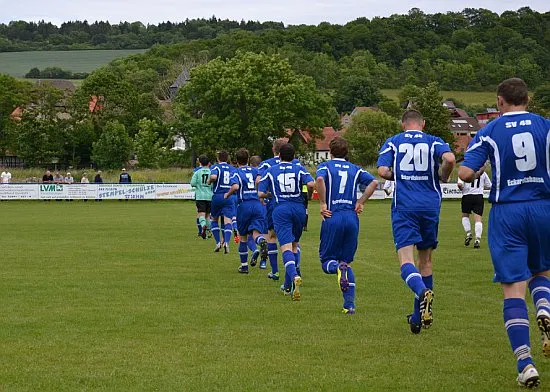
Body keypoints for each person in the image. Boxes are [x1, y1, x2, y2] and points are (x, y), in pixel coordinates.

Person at [458, 78, 550, 388]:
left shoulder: (488, 132)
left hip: (508, 212)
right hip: (543, 208)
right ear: (528, 98)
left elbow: (465, 173)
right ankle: (545, 307)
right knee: (543, 271)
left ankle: (525, 364)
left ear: (499, 102)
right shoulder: (545, 126)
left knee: (513, 288)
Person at [377, 109, 455, 333]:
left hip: (405, 206)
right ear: (423, 123)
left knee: (405, 260)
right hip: (430, 205)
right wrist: (444, 176)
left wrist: (397, 175)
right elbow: (449, 158)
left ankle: (422, 293)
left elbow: (382, 170)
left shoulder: (394, 142)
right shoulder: (433, 141)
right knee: (426, 262)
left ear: (403, 125)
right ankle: (418, 318)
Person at [316, 137, 378, 314]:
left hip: (333, 216)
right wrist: (361, 201)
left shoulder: (325, 166)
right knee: (347, 262)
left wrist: (322, 204)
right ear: (347, 152)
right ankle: (349, 305)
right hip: (351, 217)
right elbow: (374, 182)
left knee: (327, 262)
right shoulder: (355, 169)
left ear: (330, 151)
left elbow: (320, 181)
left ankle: (337, 268)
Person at [258, 143, 314, 301]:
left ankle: (294, 275)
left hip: (281, 209)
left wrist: (269, 195)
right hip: (299, 209)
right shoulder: (300, 168)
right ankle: (287, 286)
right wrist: (308, 195)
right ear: (294, 156)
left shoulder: (271, 170)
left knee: (285, 247)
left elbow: (260, 192)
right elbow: (311, 184)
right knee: (295, 245)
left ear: (280, 156)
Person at [257, 139, 300, 281]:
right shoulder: (296, 163)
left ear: (274, 150)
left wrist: (268, 193)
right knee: (294, 240)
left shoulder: (266, 164)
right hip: (295, 203)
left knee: (272, 236)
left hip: (275, 204)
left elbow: (258, 181)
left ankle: (275, 271)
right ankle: (296, 270)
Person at [225, 149, 268, 274]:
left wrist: (227, 195)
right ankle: (261, 241)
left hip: (244, 205)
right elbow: (260, 181)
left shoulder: (236, 172)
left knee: (243, 237)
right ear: (248, 159)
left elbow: (235, 186)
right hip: (257, 204)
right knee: (256, 232)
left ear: (236, 160)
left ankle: (244, 266)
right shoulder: (256, 171)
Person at [208, 151, 236, 254]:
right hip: (228, 196)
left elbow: (213, 177)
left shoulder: (215, 167)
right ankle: (227, 242)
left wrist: (209, 181)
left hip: (217, 196)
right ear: (227, 158)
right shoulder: (232, 168)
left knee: (214, 219)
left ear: (218, 158)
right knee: (228, 221)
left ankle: (218, 242)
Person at [457, 165, 491, 249]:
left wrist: (461, 187)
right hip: (478, 196)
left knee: (465, 216)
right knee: (478, 218)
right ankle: (477, 240)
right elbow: (489, 185)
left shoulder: (464, 172)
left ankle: (468, 233)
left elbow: (460, 185)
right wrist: (481, 186)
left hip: (467, 196)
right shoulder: (483, 173)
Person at [190, 155, 213, 239]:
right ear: (209, 163)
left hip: (200, 196)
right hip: (210, 196)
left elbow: (192, 183)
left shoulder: (197, 172)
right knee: (208, 215)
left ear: (200, 163)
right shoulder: (211, 172)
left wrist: (199, 185)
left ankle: (203, 226)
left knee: (201, 214)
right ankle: (208, 231)